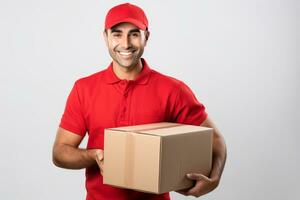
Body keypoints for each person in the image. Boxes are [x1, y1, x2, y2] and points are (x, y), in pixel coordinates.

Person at [52, 3, 227, 200]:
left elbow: (216, 140)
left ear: (147, 37)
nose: (125, 44)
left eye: (134, 34)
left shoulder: (173, 90)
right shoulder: (84, 88)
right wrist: (94, 155)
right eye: (117, 34)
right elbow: (60, 152)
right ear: (105, 37)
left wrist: (214, 179)